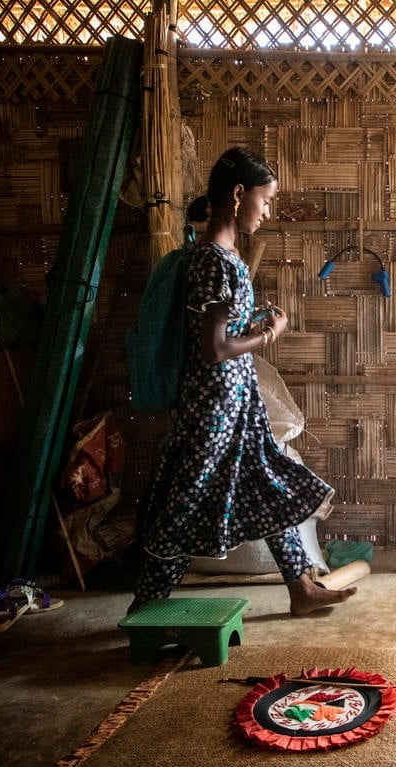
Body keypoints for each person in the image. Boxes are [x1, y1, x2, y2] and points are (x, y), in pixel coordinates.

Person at [128, 147, 356, 617]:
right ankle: (146, 603)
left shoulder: (219, 256)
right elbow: (212, 349)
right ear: (238, 195)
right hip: (213, 408)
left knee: (265, 483)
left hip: (233, 403)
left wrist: (250, 328)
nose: (268, 211)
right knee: (185, 500)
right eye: (266, 200)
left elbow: (216, 335)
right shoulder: (215, 260)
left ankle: (302, 590)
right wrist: (268, 334)